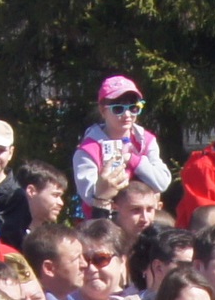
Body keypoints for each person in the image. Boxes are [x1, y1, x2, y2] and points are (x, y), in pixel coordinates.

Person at [73, 76, 171, 215]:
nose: (127, 115)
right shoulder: (89, 149)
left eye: (134, 108)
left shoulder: (146, 141)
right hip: (106, 222)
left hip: (142, 220)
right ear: (102, 110)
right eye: (118, 109)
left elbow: (162, 183)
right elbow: (90, 196)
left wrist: (134, 160)